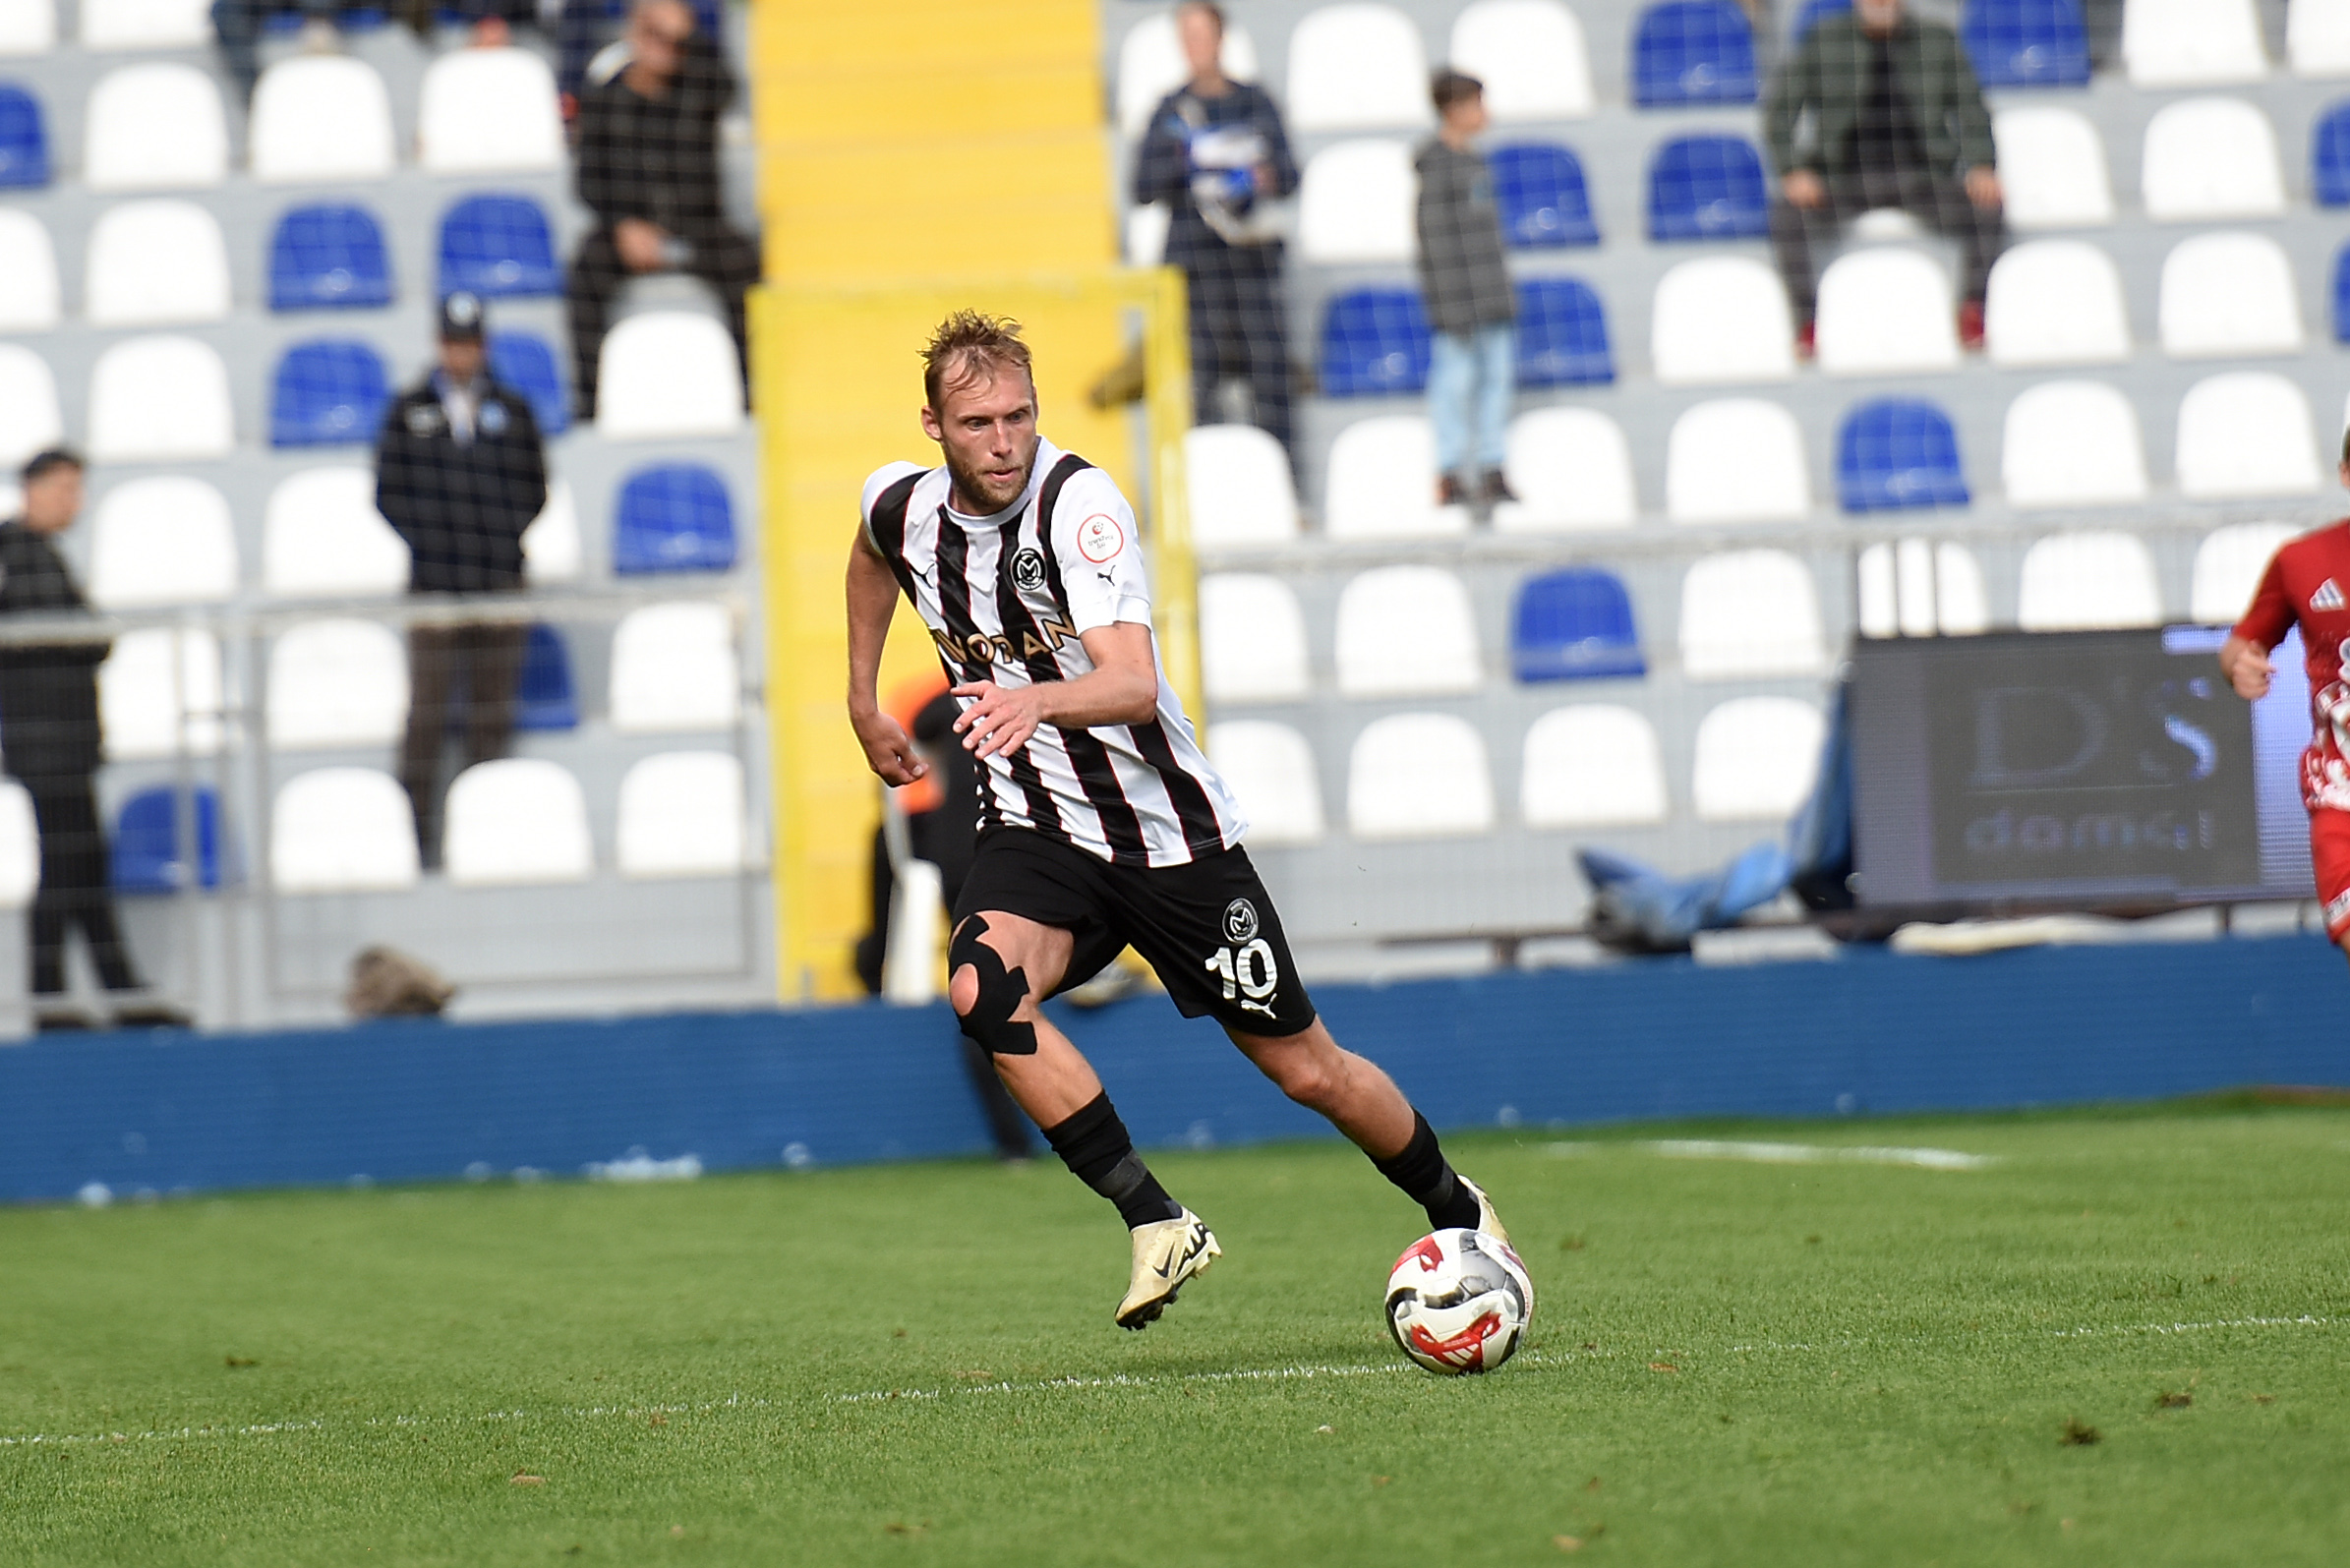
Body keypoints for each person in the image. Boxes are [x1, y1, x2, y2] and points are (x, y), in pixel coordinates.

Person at [846, 312, 1510, 1330]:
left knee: (1307, 1069)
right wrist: (861, 697)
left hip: (1169, 841)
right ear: (933, 426)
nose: (1004, 441)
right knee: (980, 989)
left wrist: (1033, 698)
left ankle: (1457, 1205)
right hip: (1038, 831)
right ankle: (1154, 1217)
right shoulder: (903, 507)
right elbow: (868, 553)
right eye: (978, 422)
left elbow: (1129, 681)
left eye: (1019, 415)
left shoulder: (1079, 508)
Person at [0, 450, 184, 1030]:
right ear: (32, 488)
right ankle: (58, 997)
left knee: (80, 863)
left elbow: (88, 637)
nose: (73, 502)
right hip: (44, 738)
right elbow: (76, 636)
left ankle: (109, 990)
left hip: (62, 736)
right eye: (65, 489)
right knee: (67, 864)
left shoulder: (38, 554)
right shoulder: (15, 555)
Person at [374, 291, 549, 866]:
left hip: (498, 582)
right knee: (427, 712)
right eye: (453, 343)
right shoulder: (409, 411)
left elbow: (534, 489)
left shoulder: (513, 411)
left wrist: (492, 539)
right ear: (438, 345)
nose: (461, 354)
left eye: (470, 343)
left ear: (484, 346)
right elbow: (389, 493)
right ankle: (413, 836)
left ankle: (485, 834)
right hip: (435, 584)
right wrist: (438, 540)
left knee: (491, 711)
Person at [854, 668, 1036, 1164]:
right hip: (1001, 855)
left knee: (983, 990)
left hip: (963, 858)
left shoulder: (950, 705)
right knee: (998, 990)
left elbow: (924, 725)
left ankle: (1015, 1143)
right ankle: (1018, 1141)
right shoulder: (1031, 698)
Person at [1762, 0, 2006, 354]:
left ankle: (1972, 310)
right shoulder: (1822, 39)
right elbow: (1778, 114)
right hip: (1842, 179)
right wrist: (1793, 169)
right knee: (1786, 214)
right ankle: (1807, 322)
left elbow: (1972, 110)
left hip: (1921, 178)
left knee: (1988, 207)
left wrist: (1981, 164)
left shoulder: (1938, 41)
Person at [566, 0, 758, 421]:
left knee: (745, 263)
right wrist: (622, 225)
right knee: (584, 272)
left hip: (698, 229)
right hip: (628, 232)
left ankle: (752, 394)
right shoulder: (605, 98)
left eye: (675, 41)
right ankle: (589, 402)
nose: (666, 48)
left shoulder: (698, 89)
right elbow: (587, 182)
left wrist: (690, 34)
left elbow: (729, 86)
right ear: (635, 35)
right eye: (655, 35)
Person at [1132, 0, 1301, 466]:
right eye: (1187, 37)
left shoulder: (1255, 103)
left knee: (1271, 382)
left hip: (1252, 267)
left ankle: (1285, 481)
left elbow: (1289, 176)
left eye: (1202, 35)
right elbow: (1141, 187)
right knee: (1194, 385)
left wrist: (1257, 175)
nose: (1195, 46)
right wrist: (1192, 162)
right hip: (1193, 269)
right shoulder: (1171, 110)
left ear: (1221, 37)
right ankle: (1196, 483)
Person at [2221, 436, 2350, 963]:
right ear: (2345, 473)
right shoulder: (2302, 561)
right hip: (2341, 796)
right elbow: (2243, 642)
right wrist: (2240, 665)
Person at [1416, 70, 1518, 513]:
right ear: (1454, 110)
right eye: (1477, 104)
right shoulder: (1437, 170)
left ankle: (1493, 466)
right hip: (1458, 302)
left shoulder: (1476, 163)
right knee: (1454, 384)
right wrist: (1448, 306)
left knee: (1497, 380)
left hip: (1490, 295)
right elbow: (1435, 244)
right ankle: (1450, 470)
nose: (1485, 113)